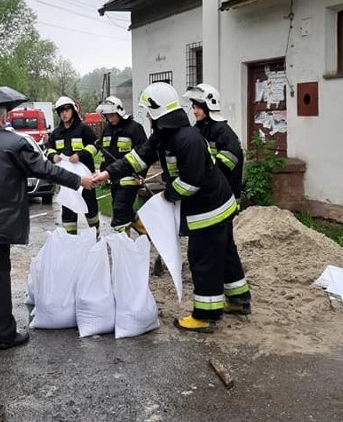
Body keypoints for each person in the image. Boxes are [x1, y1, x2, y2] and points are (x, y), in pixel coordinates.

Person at [91, 82, 251, 333]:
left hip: (210, 209)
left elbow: (192, 181)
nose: (145, 115)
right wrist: (108, 173)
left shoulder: (188, 139)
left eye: (147, 110)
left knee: (203, 259)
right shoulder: (165, 135)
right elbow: (139, 156)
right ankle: (239, 299)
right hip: (213, 206)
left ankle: (206, 315)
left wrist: (168, 193)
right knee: (225, 253)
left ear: (157, 112)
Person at [0, 103, 96, 350]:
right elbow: (46, 169)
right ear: (3, 117)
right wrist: (79, 180)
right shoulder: (15, 143)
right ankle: (5, 334)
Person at [45, 96, 100, 235]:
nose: (64, 113)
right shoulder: (56, 133)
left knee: (90, 205)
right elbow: (48, 149)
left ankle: (95, 232)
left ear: (73, 111)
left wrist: (80, 155)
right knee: (68, 207)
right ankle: (70, 237)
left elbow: (95, 146)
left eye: (66, 110)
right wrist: (53, 156)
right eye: (61, 111)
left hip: (86, 176)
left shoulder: (84, 129)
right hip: (67, 179)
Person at [183, 83, 245, 202]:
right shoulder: (199, 128)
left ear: (209, 106)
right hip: (210, 191)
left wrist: (207, 172)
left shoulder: (221, 129)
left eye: (198, 107)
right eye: (193, 107)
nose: (194, 111)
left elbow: (231, 158)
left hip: (225, 192)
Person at [95, 95, 147, 233]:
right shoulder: (107, 130)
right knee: (125, 210)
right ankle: (148, 233)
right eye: (107, 115)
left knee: (120, 209)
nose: (110, 118)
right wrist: (103, 174)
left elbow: (144, 154)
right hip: (114, 177)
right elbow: (105, 156)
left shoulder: (135, 128)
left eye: (112, 115)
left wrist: (141, 175)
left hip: (131, 177)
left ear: (119, 111)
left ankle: (125, 244)